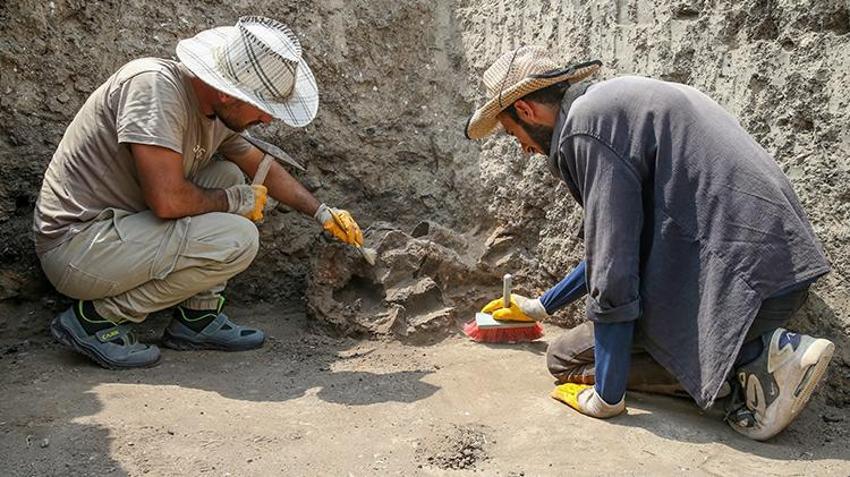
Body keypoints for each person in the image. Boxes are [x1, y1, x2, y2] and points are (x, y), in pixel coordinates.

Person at [466, 46, 835, 441]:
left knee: (564, 359)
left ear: (525, 110)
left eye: (513, 134)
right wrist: (542, 306)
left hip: (741, 292)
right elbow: (618, 242)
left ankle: (757, 362)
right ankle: (759, 355)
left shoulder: (584, 129)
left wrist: (607, 396)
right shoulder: (615, 106)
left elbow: (613, 269)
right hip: (780, 271)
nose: (524, 148)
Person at [34, 16, 364, 369]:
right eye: (263, 107)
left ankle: (197, 319)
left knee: (228, 175)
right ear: (226, 93)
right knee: (239, 238)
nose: (268, 120)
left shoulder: (217, 111)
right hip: (78, 246)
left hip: (123, 234)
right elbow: (167, 201)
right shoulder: (154, 88)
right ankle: (96, 320)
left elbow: (262, 167)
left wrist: (321, 212)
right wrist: (235, 201)